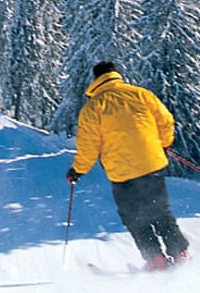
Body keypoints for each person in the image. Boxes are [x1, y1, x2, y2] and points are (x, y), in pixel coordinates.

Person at [65, 60, 190, 271]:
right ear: (117, 75)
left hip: (122, 173)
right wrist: (164, 143)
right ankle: (180, 254)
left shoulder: (93, 107)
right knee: (160, 210)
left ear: (96, 80)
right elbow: (166, 120)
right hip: (152, 164)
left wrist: (77, 170)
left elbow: (88, 146)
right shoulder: (141, 94)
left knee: (134, 217)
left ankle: (156, 261)